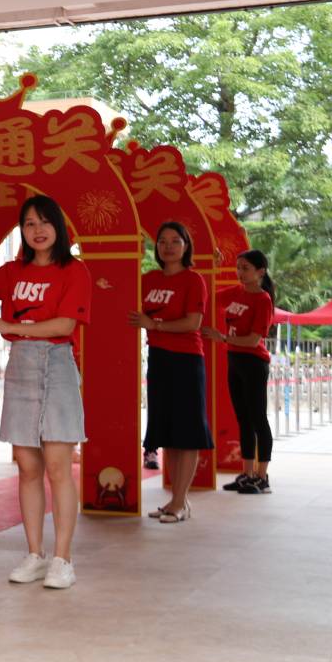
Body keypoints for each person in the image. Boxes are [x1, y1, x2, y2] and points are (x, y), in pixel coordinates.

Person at [0, 195, 90, 589]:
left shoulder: (74, 271)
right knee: (27, 467)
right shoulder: (12, 271)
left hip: (57, 365)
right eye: (29, 223)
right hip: (21, 365)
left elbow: (64, 325)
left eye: (44, 222)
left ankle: (63, 559)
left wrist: (9, 326)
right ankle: (34, 555)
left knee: (58, 467)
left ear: (58, 227)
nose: (37, 230)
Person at [128, 221, 211, 523]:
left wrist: (155, 325)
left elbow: (193, 322)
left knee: (186, 433)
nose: (168, 247)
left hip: (187, 361)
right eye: (162, 241)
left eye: (175, 241)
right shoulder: (148, 279)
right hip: (159, 359)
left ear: (186, 246)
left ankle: (179, 501)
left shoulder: (193, 280)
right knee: (169, 434)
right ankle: (177, 501)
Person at [203, 249, 275, 494]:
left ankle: (262, 477)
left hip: (254, 363)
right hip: (235, 360)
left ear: (260, 272)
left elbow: (254, 340)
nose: (240, 273)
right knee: (243, 419)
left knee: (258, 419)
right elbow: (207, 297)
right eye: (238, 267)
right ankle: (247, 474)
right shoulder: (236, 292)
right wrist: (211, 267)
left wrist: (222, 337)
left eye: (246, 268)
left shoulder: (263, 300)